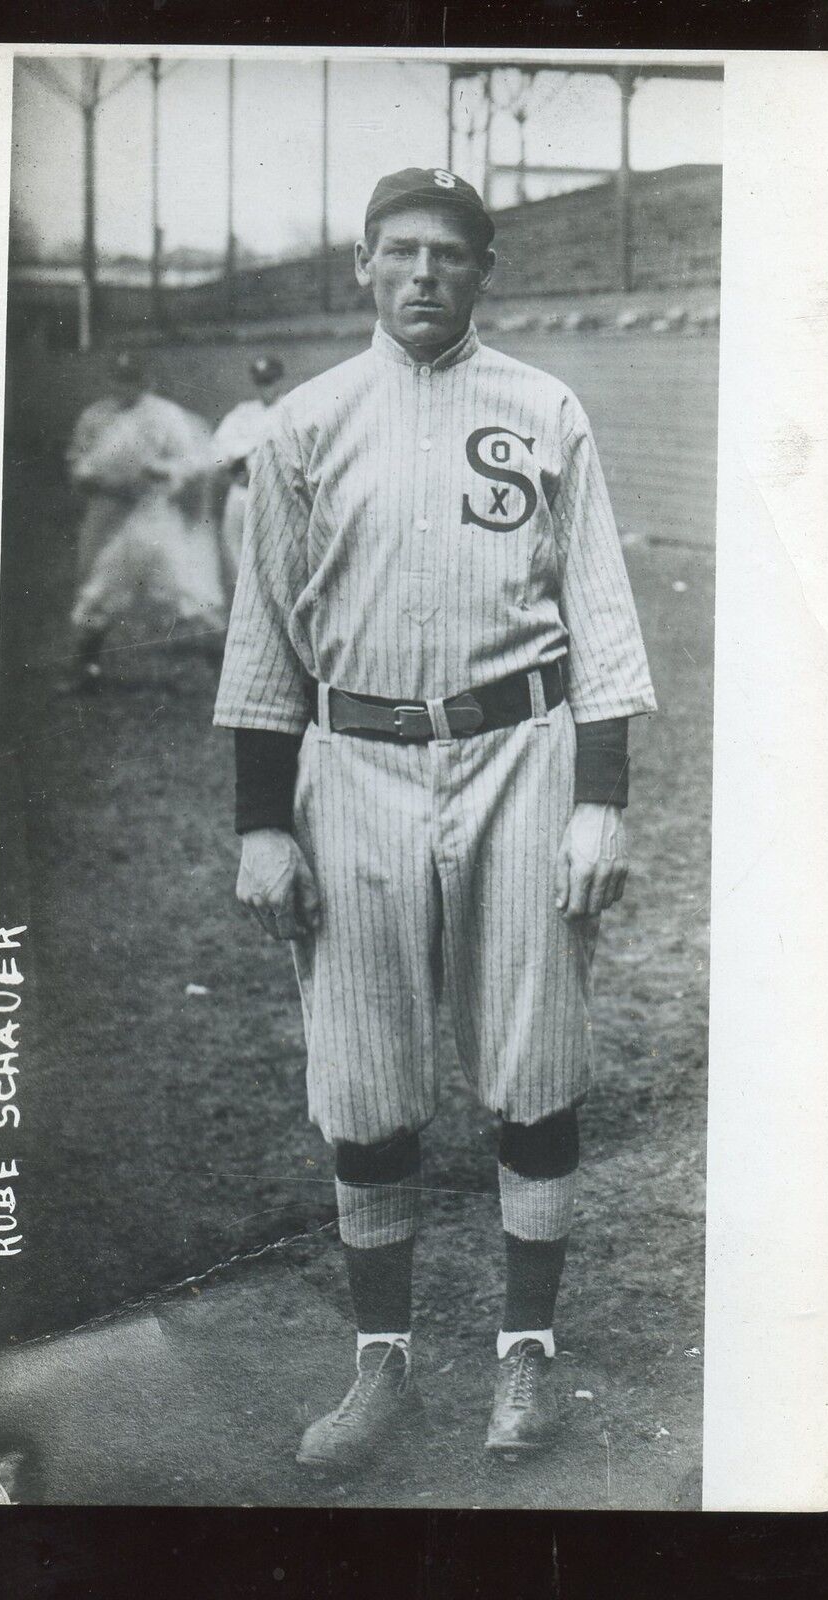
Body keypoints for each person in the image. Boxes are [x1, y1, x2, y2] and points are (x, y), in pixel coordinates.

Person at [214, 168, 656, 1475]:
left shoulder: (540, 409)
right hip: (350, 764)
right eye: (399, 252)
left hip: (519, 749)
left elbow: (602, 619)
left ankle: (525, 1357)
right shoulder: (301, 426)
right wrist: (260, 823)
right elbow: (262, 646)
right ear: (360, 266)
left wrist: (601, 798)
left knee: (531, 1054)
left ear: (484, 270)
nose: (422, 275)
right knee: (361, 1066)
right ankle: (381, 1370)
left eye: (449, 256)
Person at [66, 351, 227, 691]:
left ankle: (232, 675)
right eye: (120, 378)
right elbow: (78, 463)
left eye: (134, 379)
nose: (127, 386)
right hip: (110, 516)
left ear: (147, 380)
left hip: (154, 515)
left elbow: (197, 459)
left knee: (188, 590)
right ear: (111, 380)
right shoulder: (96, 416)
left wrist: (163, 471)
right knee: (98, 593)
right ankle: (86, 671)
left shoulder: (165, 414)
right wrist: (97, 480)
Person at [210, 355, 286, 595]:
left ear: (280, 381)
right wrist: (236, 462)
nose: (266, 388)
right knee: (236, 555)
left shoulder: (291, 408)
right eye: (261, 382)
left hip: (272, 492)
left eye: (271, 381)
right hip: (241, 491)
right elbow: (217, 452)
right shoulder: (242, 413)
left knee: (274, 556)